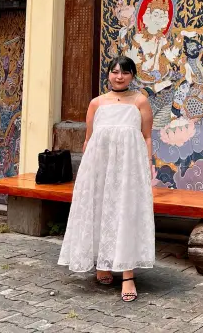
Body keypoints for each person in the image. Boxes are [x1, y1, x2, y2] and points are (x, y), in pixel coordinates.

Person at [58, 56, 155, 302]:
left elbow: (146, 137)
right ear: (108, 75)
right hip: (99, 168)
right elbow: (89, 139)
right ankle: (102, 264)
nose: (119, 77)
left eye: (125, 72)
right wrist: (86, 175)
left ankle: (128, 275)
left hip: (128, 168)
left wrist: (146, 165)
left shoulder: (141, 102)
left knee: (125, 212)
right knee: (100, 210)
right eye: (114, 72)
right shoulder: (96, 103)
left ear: (133, 75)